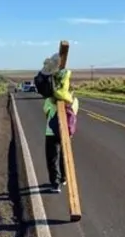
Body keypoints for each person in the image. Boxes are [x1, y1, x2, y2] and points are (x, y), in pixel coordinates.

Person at [40, 54, 79, 193]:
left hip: (51, 132)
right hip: (67, 133)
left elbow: (46, 111)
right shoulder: (74, 101)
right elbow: (74, 112)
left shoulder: (50, 100)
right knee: (64, 155)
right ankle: (63, 178)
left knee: (53, 157)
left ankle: (55, 183)